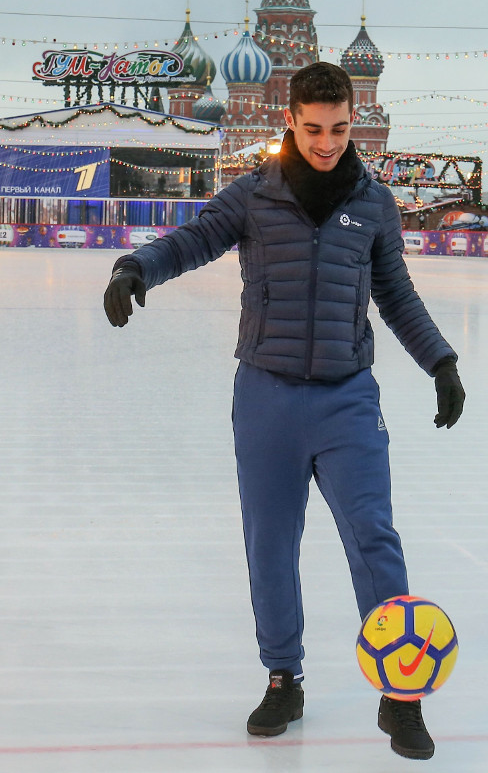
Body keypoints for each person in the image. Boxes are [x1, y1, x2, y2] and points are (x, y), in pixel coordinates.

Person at [103, 62, 465, 761]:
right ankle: (283, 678)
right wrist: (136, 268)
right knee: (270, 546)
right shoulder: (253, 196)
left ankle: (402, 693)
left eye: (339, 128)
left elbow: (396, 295)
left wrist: (440, 361)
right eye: (313, 129)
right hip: (266, 396)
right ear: (291, 122)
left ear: (351, 122)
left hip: (347, 398)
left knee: (373, 538)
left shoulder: (374, 204)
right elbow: (193, 240)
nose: (327, 142)